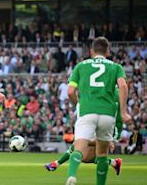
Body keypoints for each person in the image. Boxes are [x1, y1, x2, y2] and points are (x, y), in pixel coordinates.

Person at [65, 37, 132, 185]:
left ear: (91, 51)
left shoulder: (81, 66)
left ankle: (72, 175)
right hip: (108, 114)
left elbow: (70, 91)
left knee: (79, 148)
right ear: (108, 52)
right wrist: (123, 112)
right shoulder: (116, 67)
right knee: (102, 154)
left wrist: (78, 105)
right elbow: (123, 86)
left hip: (88, 111)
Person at [45, 90, 123, 175]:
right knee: (85, 156)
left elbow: (117, 115)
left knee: (80, 146)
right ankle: (114, 163)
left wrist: (113, 138)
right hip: (100, 126)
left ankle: (57, 165)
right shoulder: (102, 91)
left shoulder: (110, 93)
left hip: (107, 128)